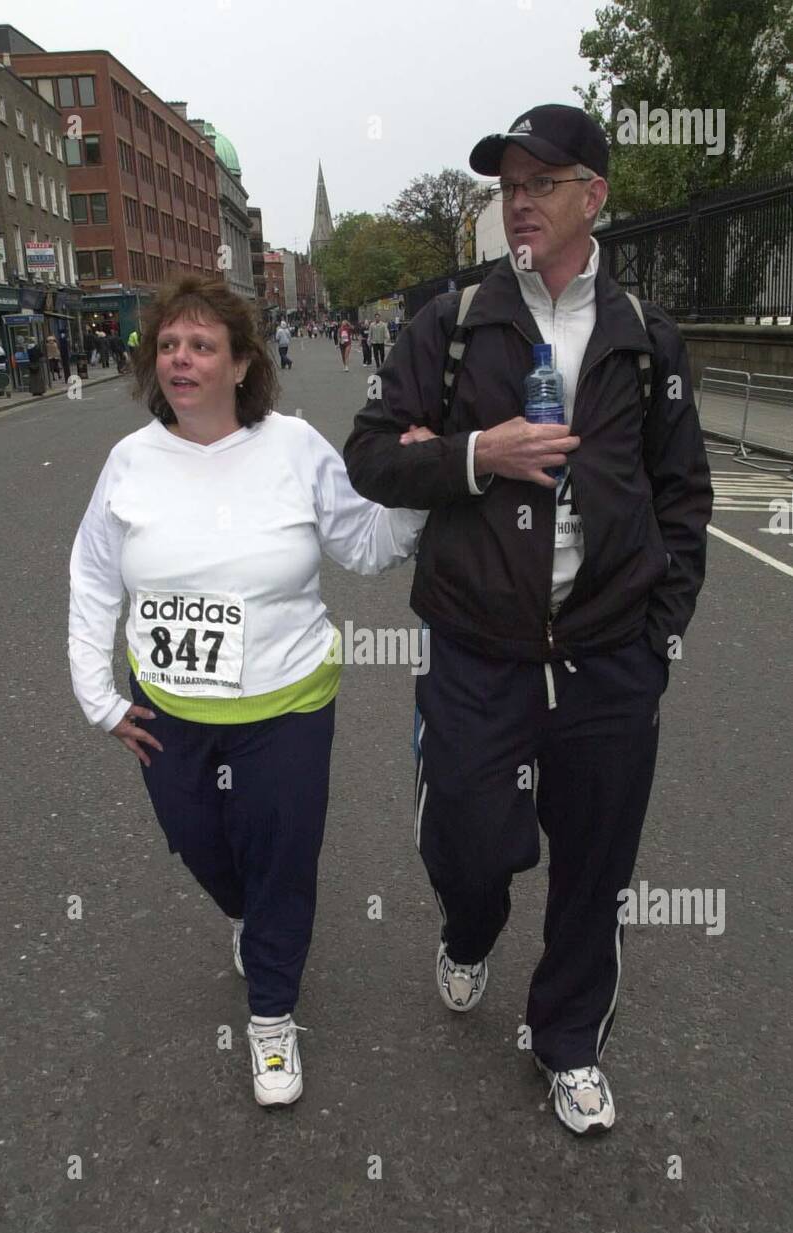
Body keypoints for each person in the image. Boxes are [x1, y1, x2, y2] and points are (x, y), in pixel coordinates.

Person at [345, 104, 713, 1136]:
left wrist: (659, 624)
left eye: (540, 182)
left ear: (592, 197)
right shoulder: (453, 323)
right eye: (507, 185)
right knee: (467, 840)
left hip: (606, 655)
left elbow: (683, 496)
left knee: (596, 866)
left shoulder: (646, 338)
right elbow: (369, 452)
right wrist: (475, 455)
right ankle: (470, 928)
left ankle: (568, 1042)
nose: (518, 200)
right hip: (477, 646)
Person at [68, 275, 427, 1108]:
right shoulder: (130, 462)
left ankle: (272, 1016)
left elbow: (365, 546)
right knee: (203, 846)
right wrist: (99, 694)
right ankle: (249, 916)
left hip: (288, 704)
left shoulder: (294, 446)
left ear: (239, 364)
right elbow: (93, 578)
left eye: (201, 346)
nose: (180, 360)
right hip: (169, 712)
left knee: (282, 859)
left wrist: (419, 491)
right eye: (168, 345)